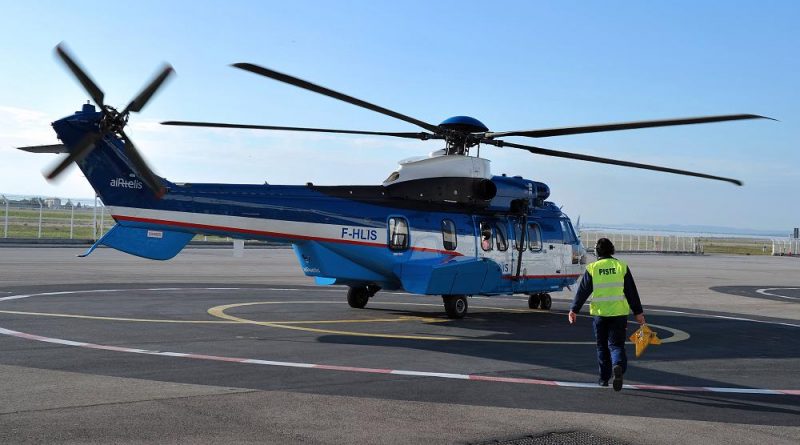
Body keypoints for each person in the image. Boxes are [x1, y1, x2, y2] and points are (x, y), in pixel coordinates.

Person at [568, 238, 645, 391]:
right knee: (616, 345)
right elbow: (631, 292)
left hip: (600, 315)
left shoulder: (593, 268)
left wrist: (574, 310)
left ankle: (604, 378)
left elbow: (583, 291)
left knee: (602, 347)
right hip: (619, 314)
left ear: (596, 252)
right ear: (612, 250)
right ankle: (618, 366)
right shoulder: (621, 267)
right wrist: (638, 313)